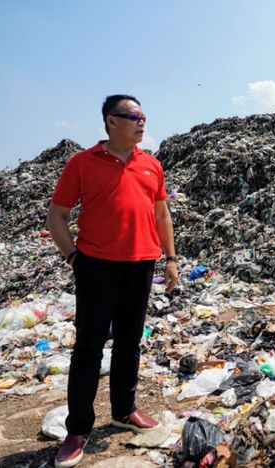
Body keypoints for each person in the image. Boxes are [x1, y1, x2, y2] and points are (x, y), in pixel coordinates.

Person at [46, 94, 179, 468]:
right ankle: (77, 430)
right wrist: (73, 257)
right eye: (134, 116)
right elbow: (57, 215)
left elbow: (162, 215)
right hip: (96, 267)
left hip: (140, 267)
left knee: (129, 343)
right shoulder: (82, 163)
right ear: (111, 121)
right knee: (88, 348)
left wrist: (170, 259)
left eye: (144, 116)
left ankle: (124, 410)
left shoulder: (151, 164)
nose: (142, 122)